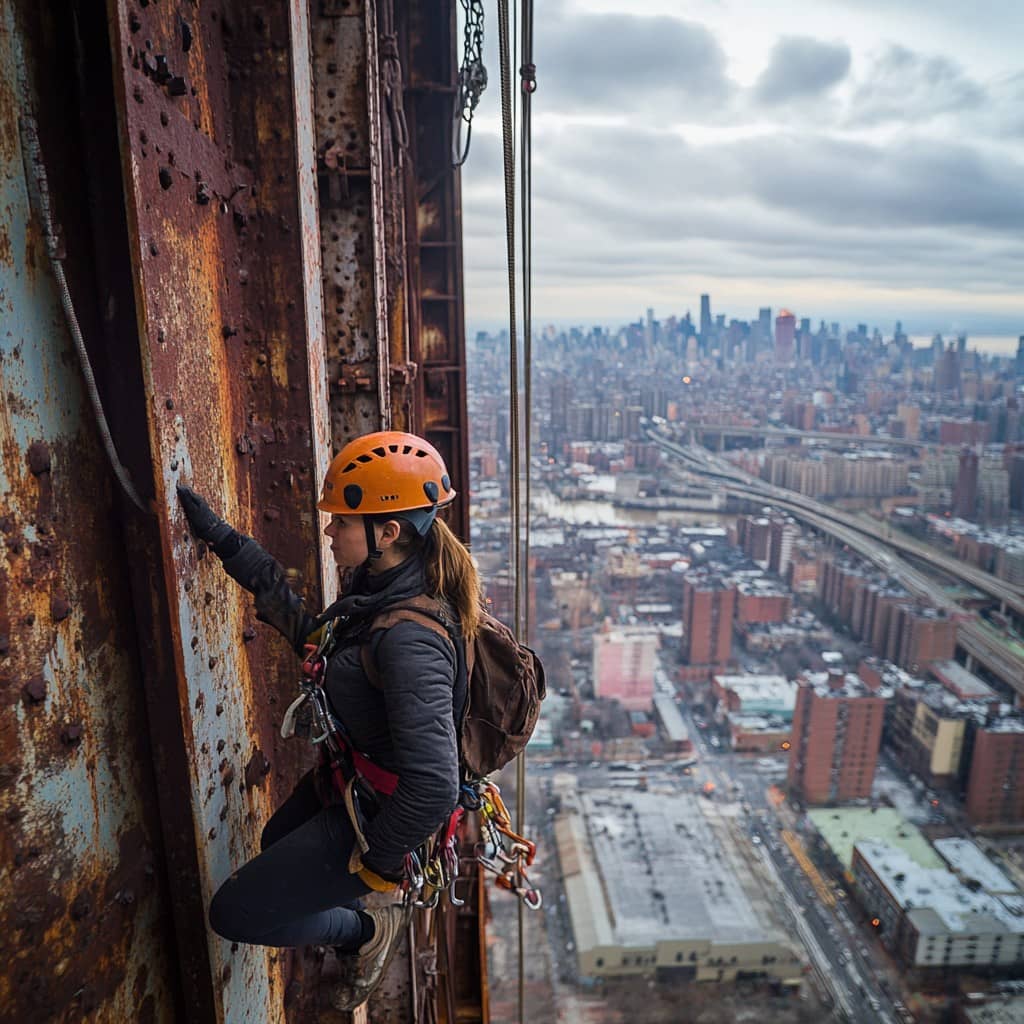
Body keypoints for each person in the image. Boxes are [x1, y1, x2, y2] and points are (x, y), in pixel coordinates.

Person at [177, 430, 480, 1011]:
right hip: (354, 785)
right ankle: (352, 913)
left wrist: (374, 868)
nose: (329, 530)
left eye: (342, 520)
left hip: (375, 820)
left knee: (234, 912)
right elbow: (315, 638)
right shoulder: (380, 593)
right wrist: (224, 541)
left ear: (387, 533)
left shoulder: (409, 640)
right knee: (274, 842)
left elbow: (435, 786)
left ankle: (369, 931)